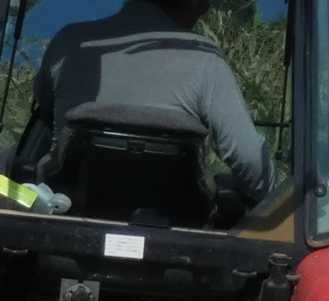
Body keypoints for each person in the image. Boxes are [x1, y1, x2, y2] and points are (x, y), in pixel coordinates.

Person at [29, 0, 274, 205]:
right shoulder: (205, 60)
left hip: (66, 221)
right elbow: (252, 163)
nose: (206, 8)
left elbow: (46, 111)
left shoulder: (70, 43)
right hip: (176, 242)